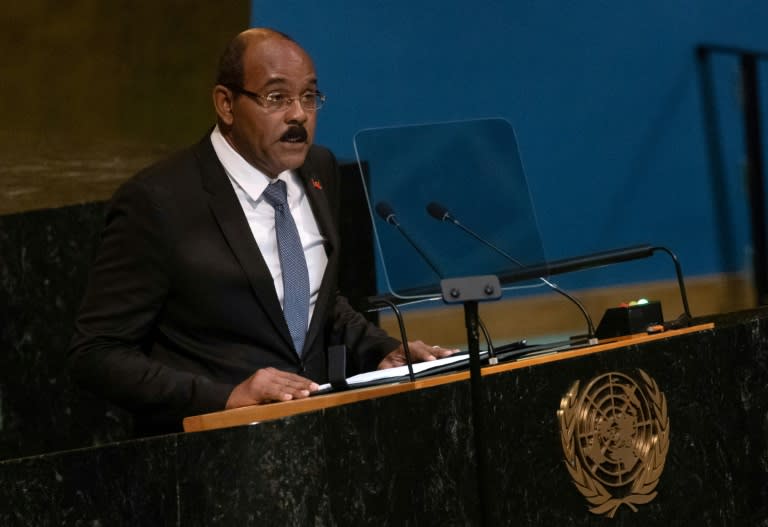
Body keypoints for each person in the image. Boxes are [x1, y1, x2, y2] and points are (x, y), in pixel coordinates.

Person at [67, 28, 454, 434]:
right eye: (276, 98)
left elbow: (316, 303)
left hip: (318, 441)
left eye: (309, 97)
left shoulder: (319, 171)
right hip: (213, 458)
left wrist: (381, 351)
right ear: (226, 104)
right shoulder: (158, 202)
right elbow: (96, 354)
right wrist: (225, 397)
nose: (298, 115)